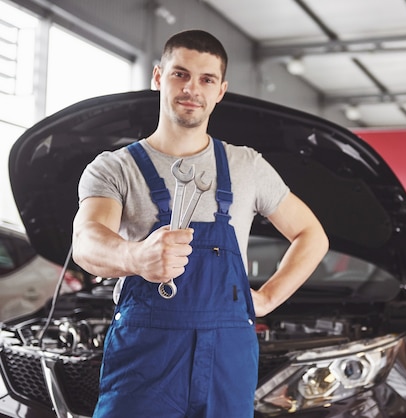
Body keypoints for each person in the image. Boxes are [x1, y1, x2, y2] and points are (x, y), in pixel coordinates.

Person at [71, 29, 328, 418]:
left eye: (206, 79)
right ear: (158, 77)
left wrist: (268, 298)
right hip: (147, 357)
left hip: (229, 355)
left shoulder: (247, 166)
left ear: (220, 90)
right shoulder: (115, 168)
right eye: (180, 74)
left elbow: (311, 235)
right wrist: (136, 256)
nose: (192, 88)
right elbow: (87, 241)